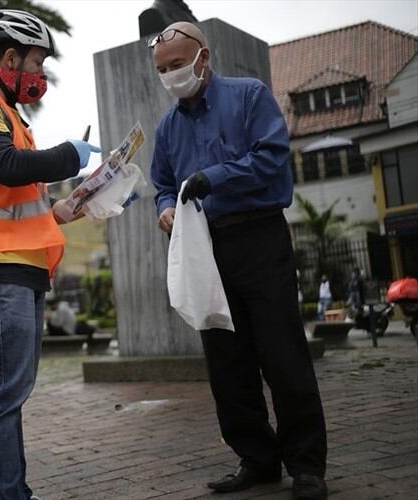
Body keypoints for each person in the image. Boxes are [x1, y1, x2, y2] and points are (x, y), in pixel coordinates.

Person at [149, 22, 327, 500]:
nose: (171, 75)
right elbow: (163, 182)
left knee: (282, 355)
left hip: (260, 237)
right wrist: (165, 206)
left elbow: (272, 158)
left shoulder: (248, 96)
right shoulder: (168, 127)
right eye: (163, 70)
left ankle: (306, 465)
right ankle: (257, 458)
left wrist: (216, 177)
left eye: (178, 65)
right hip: (205, 248)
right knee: (227, 366)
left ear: (203, 57)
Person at [0, 9, 100, 499]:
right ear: (9, 57)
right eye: (36, 62)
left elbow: (15, 200)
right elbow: (8, 167)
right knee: (3, 398)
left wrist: (70, 206)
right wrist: (72, 154)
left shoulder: (10, 114)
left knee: (12, 394)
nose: (40, 75)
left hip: (23, 272)